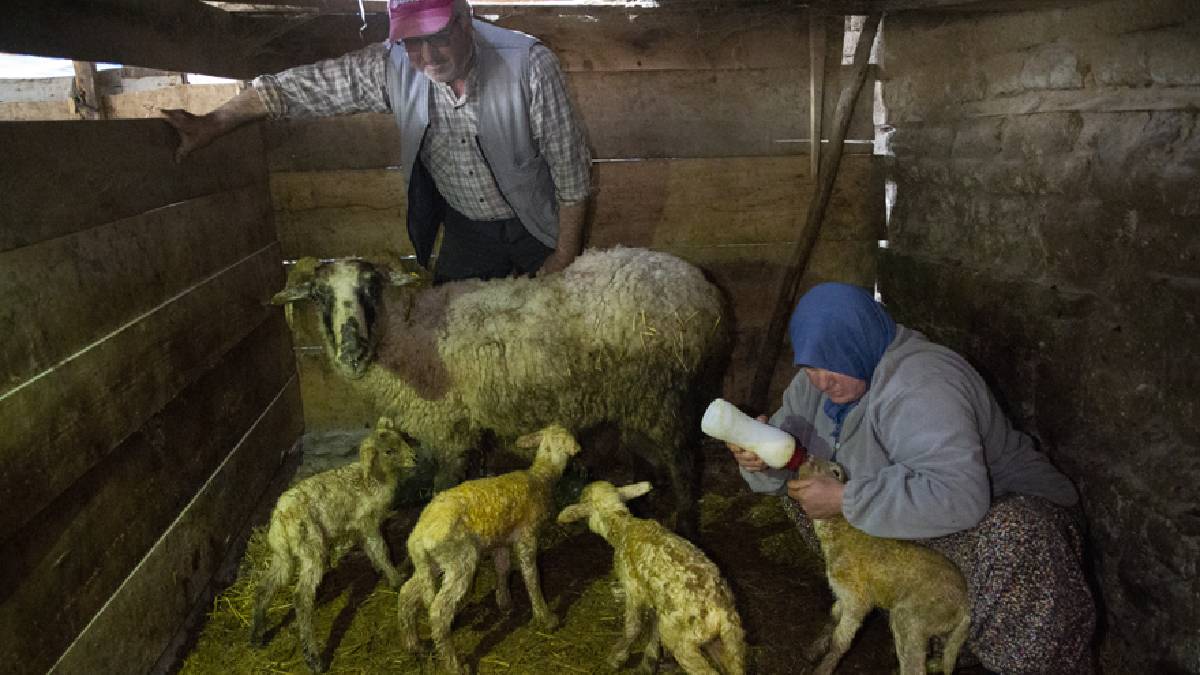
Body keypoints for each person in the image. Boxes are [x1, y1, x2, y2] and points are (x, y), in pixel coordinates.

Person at [729, 282, 1096, 674]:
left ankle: (1001, 642)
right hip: (915, 512)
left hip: (1000, 512)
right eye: (810, 366)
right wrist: (763, 460)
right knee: (806, 488)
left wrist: (846, 500)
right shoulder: (815, 385)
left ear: (859, 342)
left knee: (1017, 537)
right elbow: (790, 455)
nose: (821, 380)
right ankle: (933, 622)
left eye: (831, 362)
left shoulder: (921, 383)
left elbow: (959, 496)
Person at [163, 0, 591, 284]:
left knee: (554, 348)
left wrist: (563, 258)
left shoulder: (530, 66)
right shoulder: (390, 67)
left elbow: (571, 174)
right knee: (459, 345)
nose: (428, 57)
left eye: (439, 36)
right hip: (467, 231)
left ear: (466, 19)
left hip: (536, 226)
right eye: (411, 43)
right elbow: (301, 89)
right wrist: (216, 121)